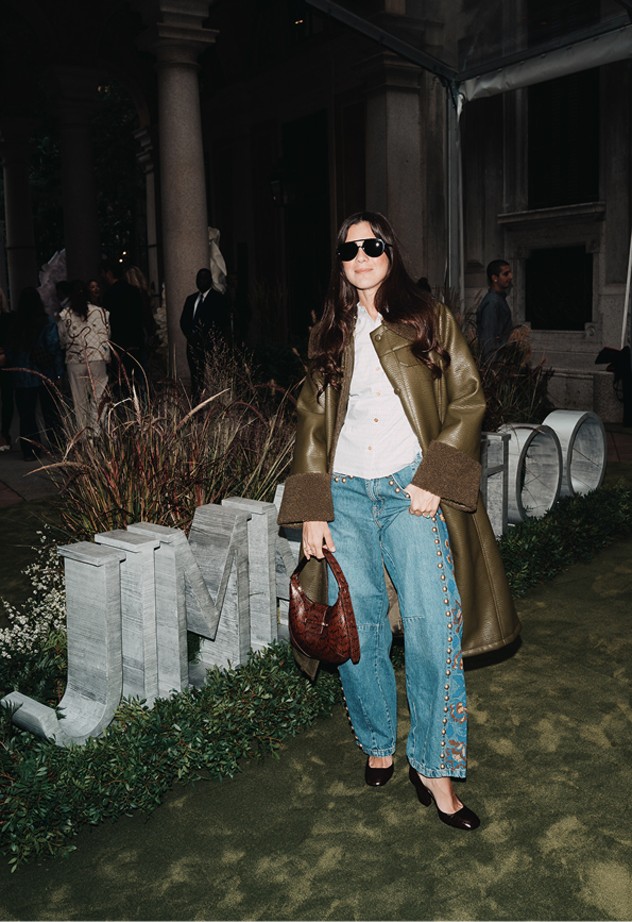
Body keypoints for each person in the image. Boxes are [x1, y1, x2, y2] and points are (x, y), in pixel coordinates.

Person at [277, 212, 520, 831]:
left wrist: (436, 481)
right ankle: (378, 737)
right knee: (358, 629)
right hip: (347, 495)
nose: (360, 255)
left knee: (433, 625)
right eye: (348, 249)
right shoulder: (329, 332)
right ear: (339, 261)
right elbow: (310, 422)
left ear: (390, 251)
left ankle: (434, 766)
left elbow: (469, 400)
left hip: (413, 490)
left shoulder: (427, 318)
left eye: (372, 244)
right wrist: (311, 511)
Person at [6, 287, 64, 459]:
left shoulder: (15, 325)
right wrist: (59, 374)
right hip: (45, 373)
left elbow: (10, 352)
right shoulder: (46, 323)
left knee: (26, 416)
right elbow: (54, 348)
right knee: (50, 414)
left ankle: (30, 450)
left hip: (23, 376)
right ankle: (56, 446)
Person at [57, 279, 111, 435]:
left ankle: (83, 437)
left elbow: (62, 339)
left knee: (79, 401)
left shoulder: (64, 315)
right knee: (99, 398)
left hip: (75, 360)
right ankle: (98, 433)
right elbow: (107, 334)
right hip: (97, 358)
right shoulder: (101, 312)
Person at [180, 267, 231, 403]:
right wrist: (190, 336)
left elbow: (222, 322)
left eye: (204, 278)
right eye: (199, 278)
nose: (201, 281)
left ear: (210, 280)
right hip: (192, 346)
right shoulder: (191, 299)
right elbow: (184, 321)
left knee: (210, 378)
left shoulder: (218, 299)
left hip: (210, 347)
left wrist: (211, 340)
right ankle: (196, 406)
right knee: (195, 379)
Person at [101, 260, 145, 387]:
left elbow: (108, 322)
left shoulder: (109, 295)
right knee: (135, 377)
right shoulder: (134, 291)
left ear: (108, 273)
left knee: (121, 379)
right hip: (135, 339)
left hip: (118, 342)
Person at [476, 259, 514, 360]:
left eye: (510, 273)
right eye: (506, 274)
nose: (510, 277)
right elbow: (488, 340)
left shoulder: (498, 299)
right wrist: (493, 369)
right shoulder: (492, 302)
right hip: (495, 363)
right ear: (495, 278)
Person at [0, 287, 15, 450]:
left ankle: (4, 433)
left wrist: (5, 353)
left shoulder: (8, 318)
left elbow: (12, 339)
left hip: (6, 363)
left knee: (7, 400)